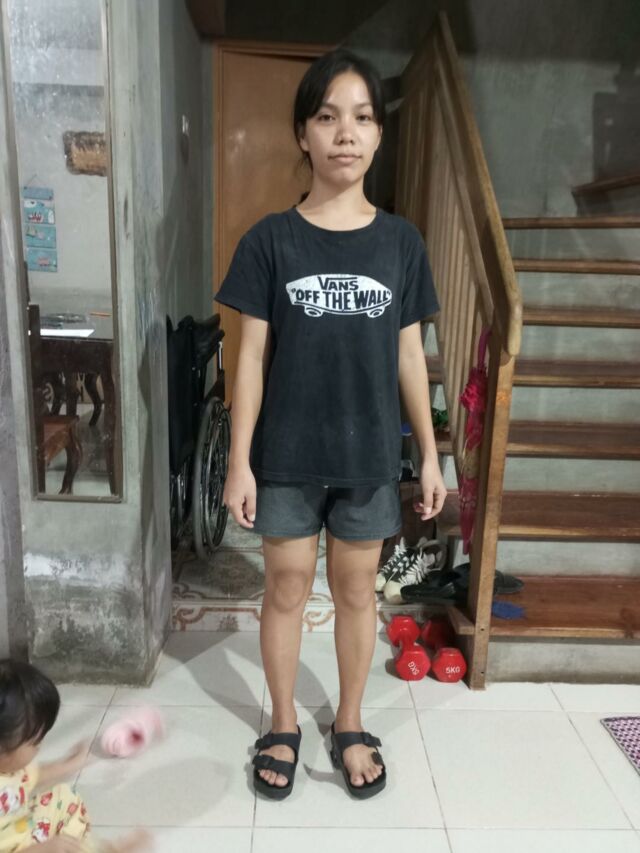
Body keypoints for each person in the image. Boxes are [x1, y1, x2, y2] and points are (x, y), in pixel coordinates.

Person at [216, 48, 446, 800]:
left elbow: (410, 356)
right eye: (327, 116)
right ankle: (282, 722)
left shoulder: (402, 243)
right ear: (303, 134)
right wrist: (239, 461)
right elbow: (251, 359)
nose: (346, 133)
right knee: (285, 587)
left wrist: (430, 455)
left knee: (356, 592)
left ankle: (349, 721)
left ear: (378, 134)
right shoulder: (269, 241)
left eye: (363, 117)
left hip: (369, 455)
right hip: (285, 454)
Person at [0, 659, 150, 852]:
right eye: (34, 742)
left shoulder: (9, 767)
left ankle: (90, 847)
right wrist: (41, 850)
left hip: (19, 827)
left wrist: (72, 763)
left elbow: (33, 774)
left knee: (62, 798)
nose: (39, 747)